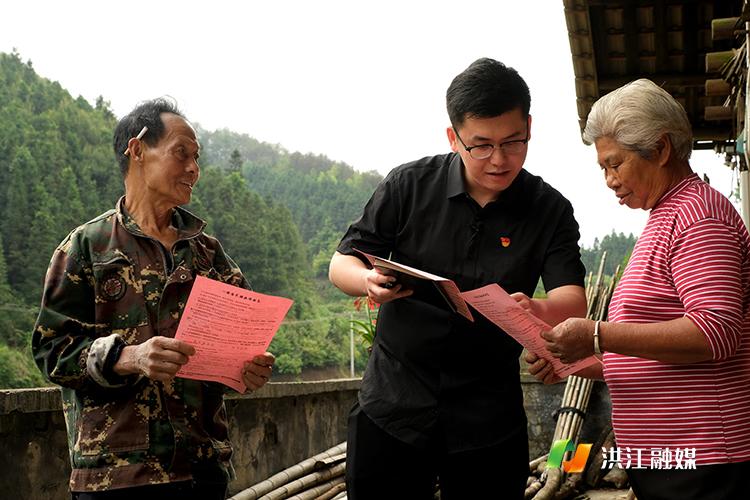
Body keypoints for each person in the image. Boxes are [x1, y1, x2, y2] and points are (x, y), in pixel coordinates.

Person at [329, 58, 587, 499]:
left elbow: (572, 300)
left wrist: (538, 308)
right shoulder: (409, 185)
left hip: (488, 417)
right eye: (481, 145)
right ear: (454, 137)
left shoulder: (549, 209)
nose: (499, 159)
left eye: (513, 142)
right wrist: (367, 281)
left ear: (529, 125)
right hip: (394, 402)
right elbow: (341, 263)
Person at [31, 98, 275, 500]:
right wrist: (128, 358)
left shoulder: (207, 253)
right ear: (138, 149)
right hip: (115, 475)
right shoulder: (87, 247)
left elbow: (242, 347)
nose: (194, 169)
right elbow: (50, 350)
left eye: (197, 158)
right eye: (182, 153)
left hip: (201, 467)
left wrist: (247, 370)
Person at [528, 79, 750, 499]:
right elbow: (657, 353)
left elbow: (714, 333)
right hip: (669, 458)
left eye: (616, 163)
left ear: (661, 150)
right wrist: (580, 363)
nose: (609, 179)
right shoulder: (667, 215)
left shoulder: (699, 217)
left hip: (703, 460)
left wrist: (595, 334)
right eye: (602, 168)